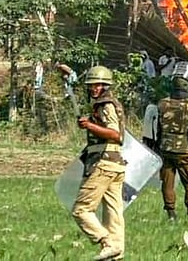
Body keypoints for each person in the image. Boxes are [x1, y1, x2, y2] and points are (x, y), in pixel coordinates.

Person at [71, 66, 126, 261]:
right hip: (115, 163)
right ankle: (116, 252)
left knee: (81, 209)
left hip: (104, 162)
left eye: (98, 85)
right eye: (91, 85)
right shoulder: (106, 103)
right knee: (113, 212)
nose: (94, 88)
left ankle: (107, 242)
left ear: (105, 85)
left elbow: (115, 134)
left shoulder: (106, 105)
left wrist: (89, 126)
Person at [156, 62, 188, 220]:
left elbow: (158, 128)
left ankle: (171, 213)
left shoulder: (162, 103)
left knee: (167, 182)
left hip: (166, 148)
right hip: (183, 149)